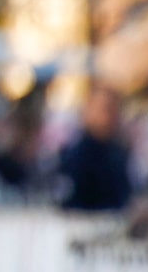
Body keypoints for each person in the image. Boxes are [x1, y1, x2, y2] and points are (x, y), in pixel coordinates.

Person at [58, 83, 136, 212]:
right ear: (87, 110)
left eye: (114, 109)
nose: (111, 116)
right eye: (105, 109)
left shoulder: (118, 154)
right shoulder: (75, 157)